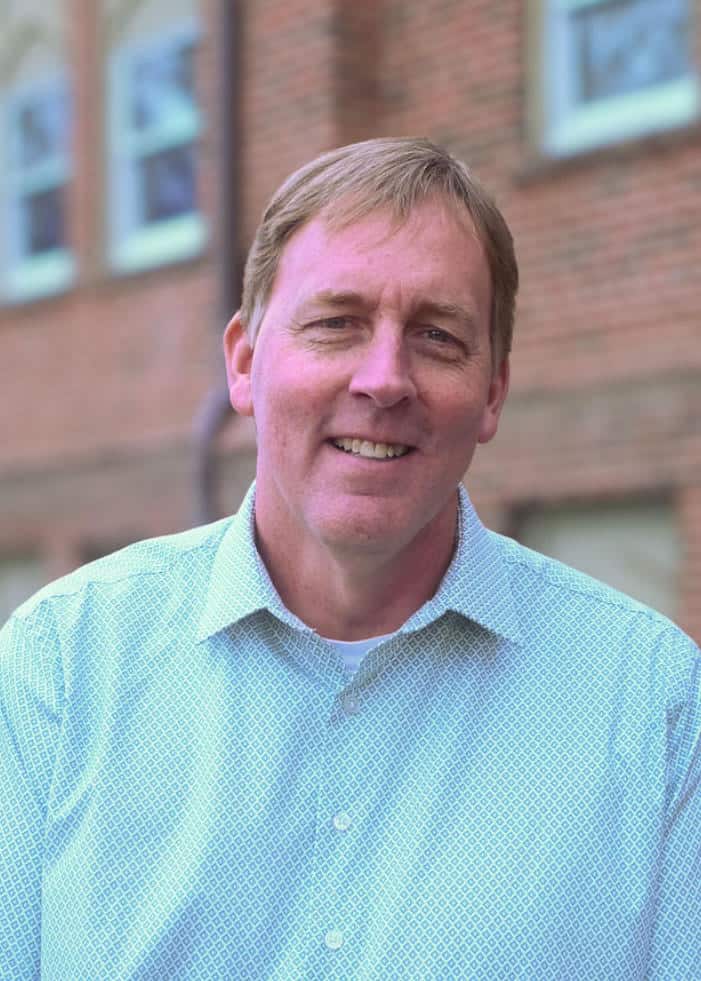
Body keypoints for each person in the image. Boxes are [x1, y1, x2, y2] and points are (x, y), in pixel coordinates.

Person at [1, 138, 698, 980]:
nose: (384, 378)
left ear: (492, 393)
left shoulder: (652, 702)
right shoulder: (60, 670)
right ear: (246, 361)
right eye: (336, 323)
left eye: (437, 337)